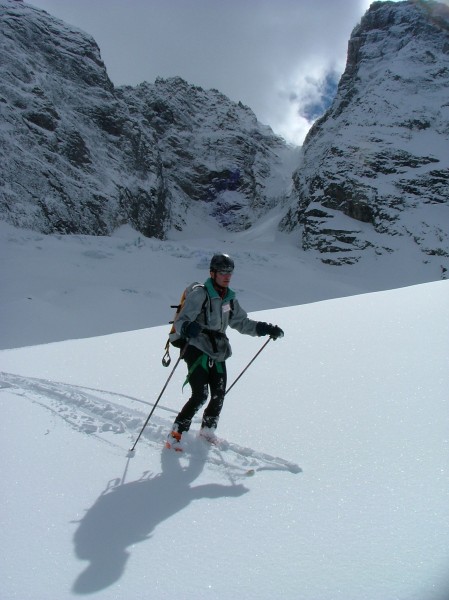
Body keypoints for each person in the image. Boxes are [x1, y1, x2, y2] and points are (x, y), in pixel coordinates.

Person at [166, 253, 284, 450]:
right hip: (196, 347)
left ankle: (207, 430)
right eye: (223, 272)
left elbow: (241, 322)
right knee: (200, 395)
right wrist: (187, 328)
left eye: (230, 272)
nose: (227, 276)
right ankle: (176, 433)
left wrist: (265, 328)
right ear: (213, 273)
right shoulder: (200, 294)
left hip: (218, 349)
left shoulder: (229, 298)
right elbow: (181, 321)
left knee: (219, 394)